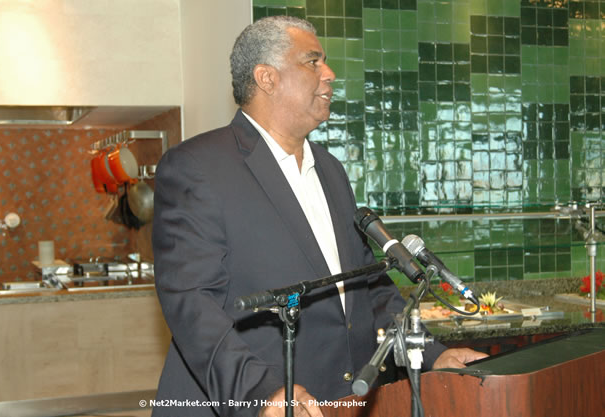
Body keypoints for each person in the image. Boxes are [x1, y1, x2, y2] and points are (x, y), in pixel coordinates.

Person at [152, 15, 486, 417]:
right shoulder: (197, 166)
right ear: (267, 77)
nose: (329, 74)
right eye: (312, 62)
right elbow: (192, 304)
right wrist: (262, 392)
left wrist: (430, 354)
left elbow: (370, 283)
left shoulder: (330, 168)